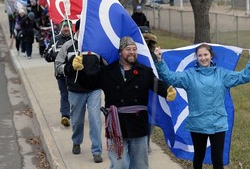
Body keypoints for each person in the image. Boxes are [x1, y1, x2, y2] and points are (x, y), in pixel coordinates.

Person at [72, 36, 177, 169]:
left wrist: (167, 91)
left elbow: (157, 84)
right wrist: (79, 70)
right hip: (115, 126)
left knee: (140, 165)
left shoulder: (145, 71)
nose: (132, 52)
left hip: (138, 125)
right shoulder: (107, 71)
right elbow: (88, 83)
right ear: (120, 52)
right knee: (119, 165)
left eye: (134, 49)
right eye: (128, 49)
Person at [153, 43, 250, 169]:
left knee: (217, 159)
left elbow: (244, 76)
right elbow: (170, 77)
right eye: (200, 55)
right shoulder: (189, 75)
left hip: (218, 124)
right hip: (197, 124)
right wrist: (159, 61)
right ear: (196, 57)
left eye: (205, 54)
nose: (203, 58)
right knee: (198, 157)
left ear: (211, 56)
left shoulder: (222, 74)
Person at [55, 21, 105, 163]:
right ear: (76, 30)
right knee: (77, 120)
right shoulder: (68, 46)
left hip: (94, 89)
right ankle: (76, 141)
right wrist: (70, 67)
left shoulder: (97, 46)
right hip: (76, 90)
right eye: (82, 29)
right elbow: (58, 65)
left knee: (95, 119)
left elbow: (105, 64)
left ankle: (96, 151)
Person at [44, 19, 72, 126]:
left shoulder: (76, 39)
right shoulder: (55, 40)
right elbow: (46, 55)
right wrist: (54, 56)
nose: (66, 29)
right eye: (64, 27)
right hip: (61, 74)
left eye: (68, 27)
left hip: (74, 74)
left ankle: (75, 114)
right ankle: (65, 116)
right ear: (61, 28)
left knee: (74, 95)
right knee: (65, 94)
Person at [142, 32, 158, 153]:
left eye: (149, 42)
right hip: (138, 90)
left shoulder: (155, 56)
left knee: (151, 118)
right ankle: (141, 141)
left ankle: (146, 140)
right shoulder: (136, 54)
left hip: (152, 90)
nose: (147, 44)